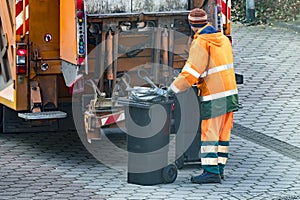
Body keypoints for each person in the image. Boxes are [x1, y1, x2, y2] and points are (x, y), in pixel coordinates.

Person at [168, 8, 239, 184]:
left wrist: (172, 89)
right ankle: (219, 169)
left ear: (191, 25)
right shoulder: (221, 39)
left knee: (210, 134)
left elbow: (192, 72)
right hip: (230, 93)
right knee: (223, 134)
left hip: (214, 95)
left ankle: (210, 172)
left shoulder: (201, 43)